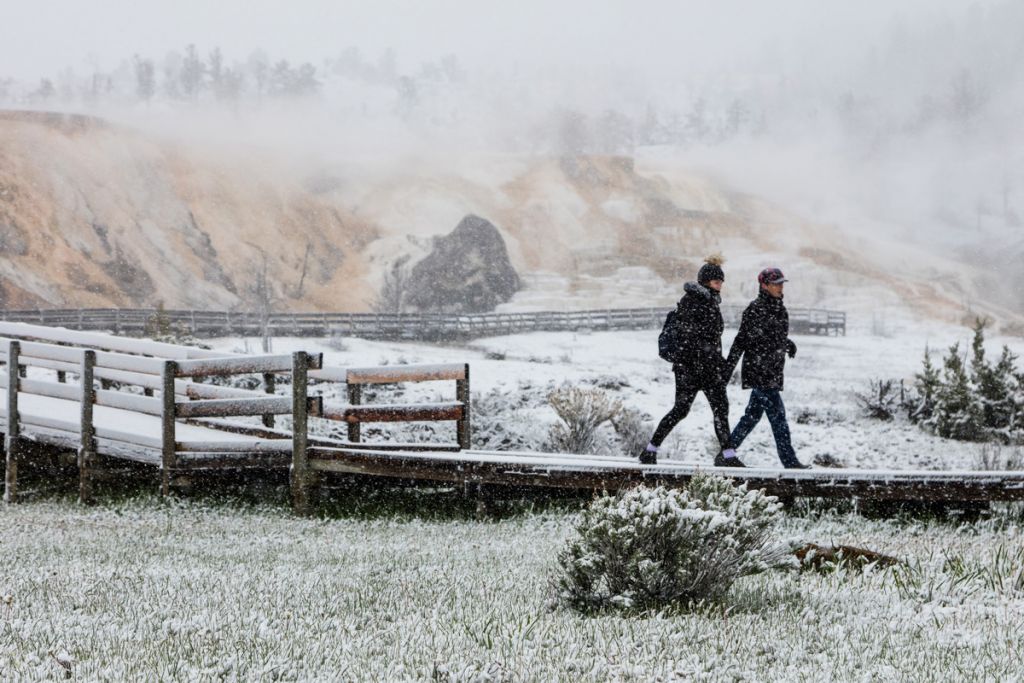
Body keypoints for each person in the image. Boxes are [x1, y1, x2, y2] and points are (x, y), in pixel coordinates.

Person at [640, 255, 741, 467]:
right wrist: (712, 360)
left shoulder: (706, 302)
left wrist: (715, 360)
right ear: (706, 282)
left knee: (704, 409)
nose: (720, 285)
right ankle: (651, 450)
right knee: (700, 410)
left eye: (721, 281)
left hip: (696, 368)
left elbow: (707, 339)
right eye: (716, 281)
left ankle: (651, 450)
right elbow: (695, 338)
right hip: (696, 368)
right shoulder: (695, 303)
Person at [723, 267, 809, 469]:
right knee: (778, 418)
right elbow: (742, 340)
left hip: (773, 371)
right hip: (761, 372)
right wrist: (727, 371)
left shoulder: (778, 308)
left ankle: (726, 454)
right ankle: (789, 462)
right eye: (776, 283)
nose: (780, 287)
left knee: (751, 417)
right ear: (764, 285)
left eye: (781, 283)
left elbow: (771, 336)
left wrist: (787, 343)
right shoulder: (755, 309)